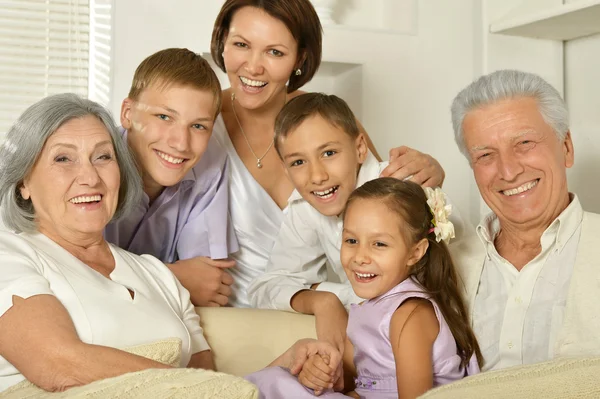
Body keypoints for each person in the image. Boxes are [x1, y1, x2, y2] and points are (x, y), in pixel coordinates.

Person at [210, 0, 448, 308]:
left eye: (275, 52)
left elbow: (386, 205)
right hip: (234, 308)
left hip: (326, 308)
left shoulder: (327, 122)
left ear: (300, 57)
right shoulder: (197, 120)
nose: (254, 66)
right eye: (241, 44)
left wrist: (429, 181)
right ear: (222, 43)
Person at [0, 94, 214, 392]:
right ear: (24, 183)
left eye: (103, 157)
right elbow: (58, 365)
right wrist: (193, 385)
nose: (90, 177)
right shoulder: (8, 255)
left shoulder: (158, 275)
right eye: (63, 158)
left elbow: (215, 384)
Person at [247, 93, 466, 351]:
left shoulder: (402, 188)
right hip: (381, 337)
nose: (317, 176)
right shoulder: (307, 205)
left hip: (442, 338)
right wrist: (321, 300)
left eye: (329, 153)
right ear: (285, 169)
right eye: (298, 162)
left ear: (360, 148)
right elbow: (265, 287)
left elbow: (405, 295)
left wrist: (329, 291)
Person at [246, 178, 481, 398]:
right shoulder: (365, 309)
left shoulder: (410, 314)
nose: (360, 257)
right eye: (351, 241)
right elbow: (349, 382)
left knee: (276, 383)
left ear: (415, 252)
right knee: (277, 379)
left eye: (379, 244)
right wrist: (321, 373)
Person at [449, 69, 600, 371]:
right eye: (486, 155)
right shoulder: (448, 265)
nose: (508, 171)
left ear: (566, 148)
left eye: (525, 143)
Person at [103, 48, 239, 307]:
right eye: (164, 117)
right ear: (128, 113)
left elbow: (208, 282)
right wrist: (174, 276)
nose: (180, 143)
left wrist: (126, 276)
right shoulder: (93, 164)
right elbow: (79, 274)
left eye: (198, 126)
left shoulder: (210, 165)